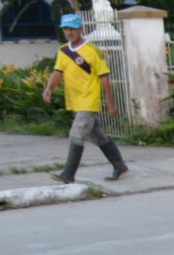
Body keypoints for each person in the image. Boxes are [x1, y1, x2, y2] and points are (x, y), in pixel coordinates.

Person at [42, 13, 127, 183]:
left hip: (89, 100)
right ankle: (120, 166)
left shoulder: (91, 50)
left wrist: (110, 104)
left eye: (72, 29)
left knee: (77, 133)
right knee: (97, 136)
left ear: (80, 29)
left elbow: (104, 77)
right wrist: (48, 87)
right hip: (75, 101)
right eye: (66, 29)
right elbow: (58, 72)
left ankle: (69, 174)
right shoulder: (63, 51)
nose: (69, 33)